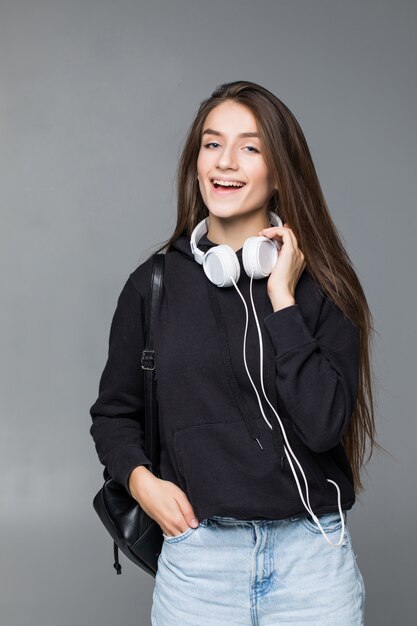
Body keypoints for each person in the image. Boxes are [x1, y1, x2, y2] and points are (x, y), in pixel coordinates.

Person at [90, 80, 382, 625]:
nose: (225, 162)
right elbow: (113, 414)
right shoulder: (152, 285)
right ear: (195, 160)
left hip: (312, 562)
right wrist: (141, 481)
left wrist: (282, 301)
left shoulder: (324, 288)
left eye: (250, 147)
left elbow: (324, 427)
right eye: (211, 143)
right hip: (199, 565)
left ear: (279, 173)